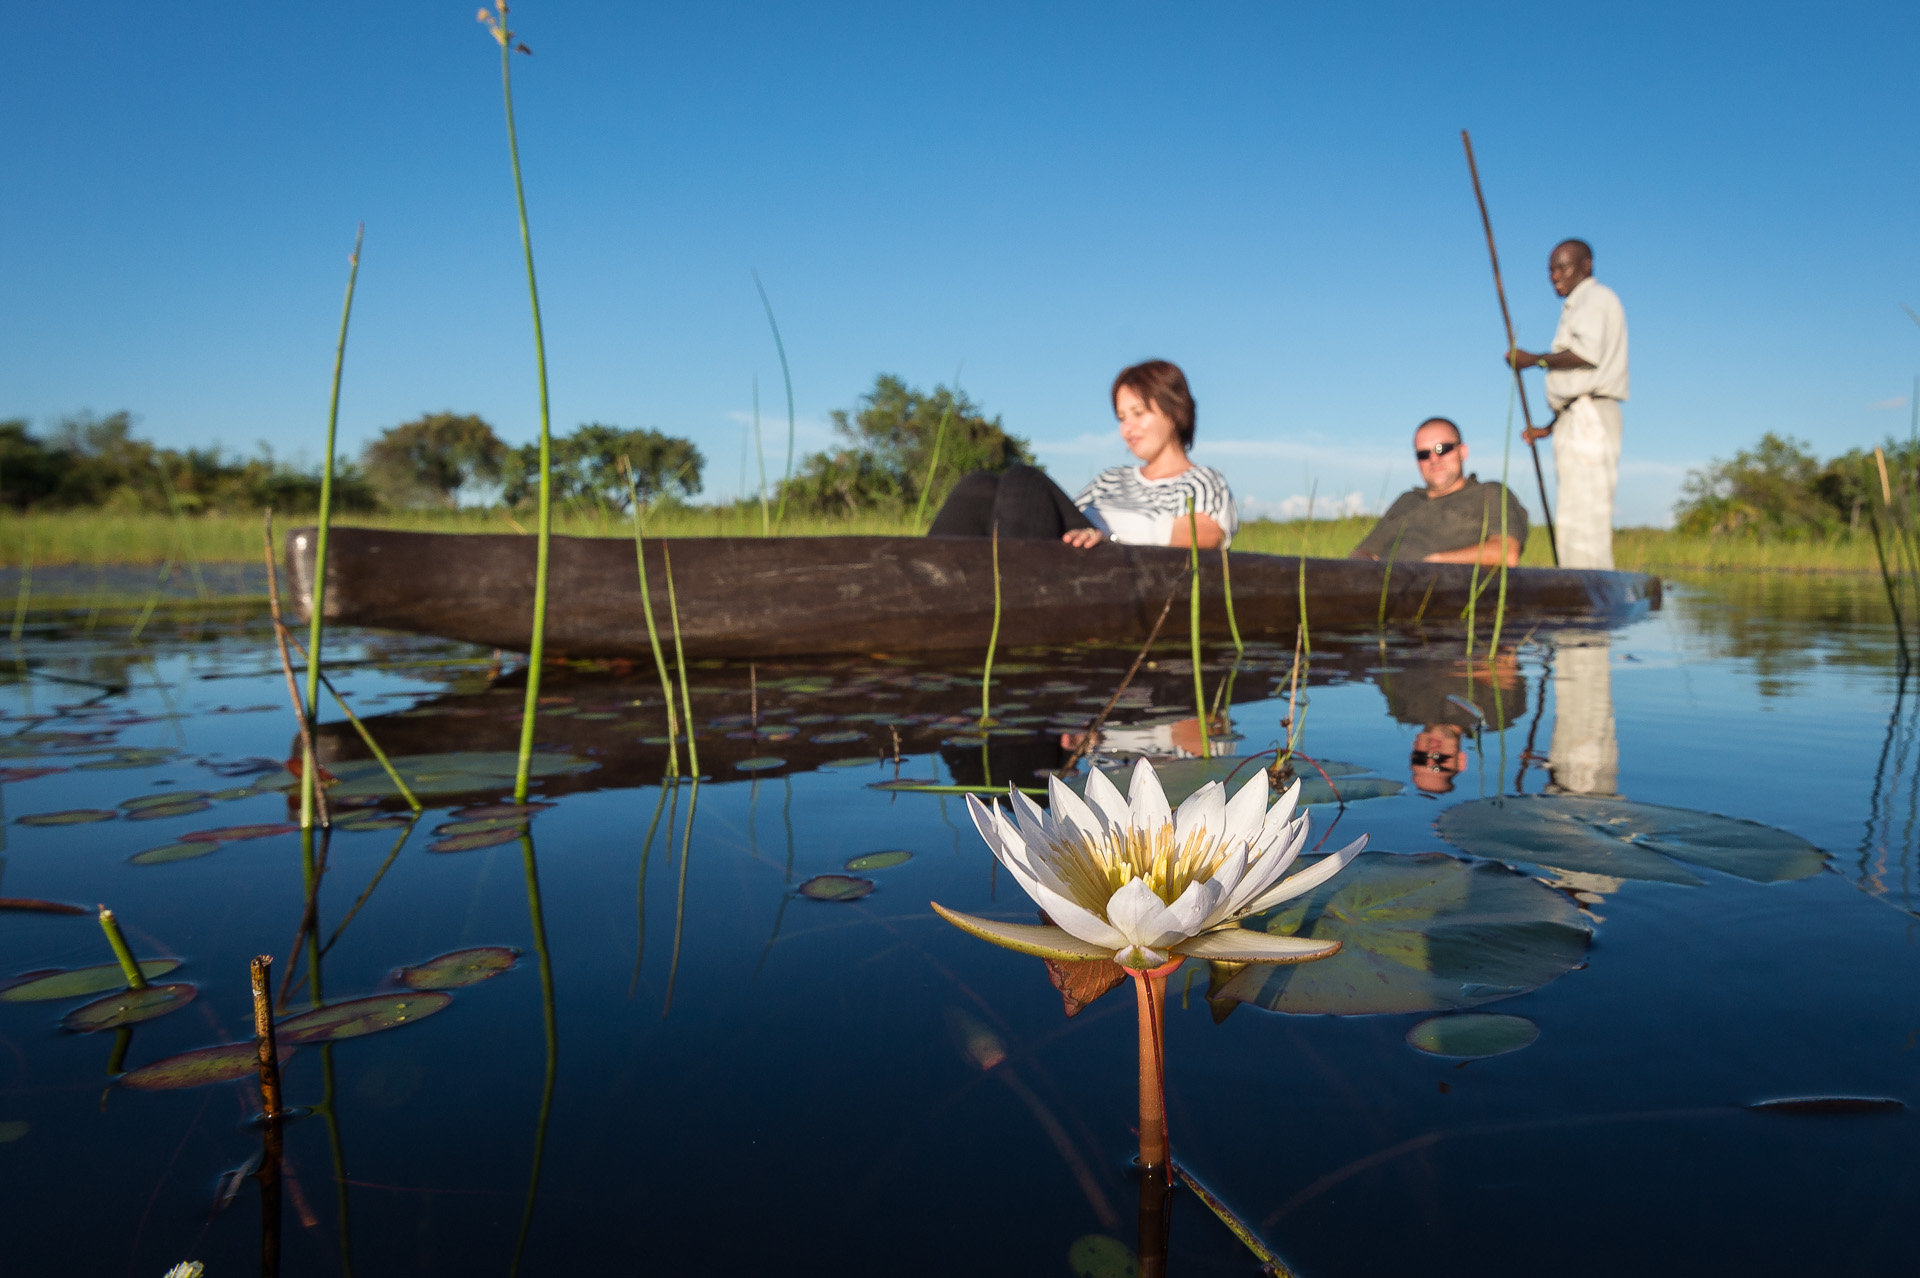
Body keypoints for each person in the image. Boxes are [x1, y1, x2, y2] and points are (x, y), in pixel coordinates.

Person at [928, 360, 1237, 550]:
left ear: (1175, 411)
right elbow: (1052, 519)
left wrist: (1107, 538)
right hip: (1072, 557)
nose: (1127, 428)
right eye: (1121, 417)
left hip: (1124, 573)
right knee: (980, 484)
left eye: (1138, 413)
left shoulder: (1201, 481)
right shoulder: (1109, 480)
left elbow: (1196, 543)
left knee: (1024, 478)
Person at [1506, 239, 1629, 570]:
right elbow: (1578, 384)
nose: (1555, 276)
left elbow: (1585, 356)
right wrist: (1549, 427)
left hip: (1589, 417)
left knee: (1587, 512)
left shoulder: (1595, 298)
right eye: (1551, 269)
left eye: (1563, 267)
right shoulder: (1578, 304)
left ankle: (1589, 594)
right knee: (1574, 512)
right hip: (1576, 416)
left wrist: (1535, 360)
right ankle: (1577, 587)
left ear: (1586, 266)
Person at [1350, 418, 1527, 565]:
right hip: (1378, 592)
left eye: (1442, 449)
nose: (1434, 459)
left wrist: (1434, 563)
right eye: (1423, 454)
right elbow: (1365, 552)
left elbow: (1506, 552)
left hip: (1442, 592)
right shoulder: (1407, 500)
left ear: (1462, 452)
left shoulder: (1489, 493)